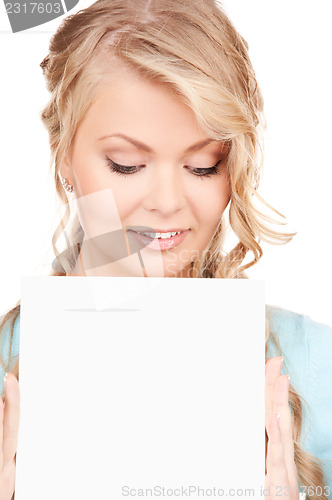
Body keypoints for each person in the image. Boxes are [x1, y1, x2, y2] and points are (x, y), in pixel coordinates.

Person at [0, 0, 331, 498]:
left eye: (203, 166)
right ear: (64, 157)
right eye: (127, 164)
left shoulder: (318, 365)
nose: (167, 203)